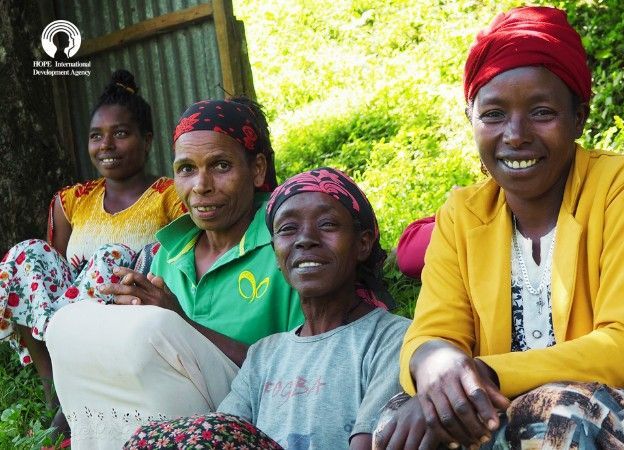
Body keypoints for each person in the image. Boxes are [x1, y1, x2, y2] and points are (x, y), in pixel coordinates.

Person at [374, 6, 624, 449]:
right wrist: (432, 363)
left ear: (579, 116)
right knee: (401, 421)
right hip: (500, 409)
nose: (515, 135)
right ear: (470, 119)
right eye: (494, 114)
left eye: (541, 112)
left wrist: (487, 373)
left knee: (562, 414)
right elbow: (432, 332)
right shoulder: (463, 214)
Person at [44, 97, 304, 449]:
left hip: (248, 412)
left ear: (257, 169)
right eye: (186, 169)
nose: (201, 185)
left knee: (155, 328)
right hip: (160, 416)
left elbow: (304, 368)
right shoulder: (167, 252)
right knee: (65, 324)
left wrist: (179, 322)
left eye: (221, 165)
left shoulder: (285, 249)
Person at [124, 167, 410, 450]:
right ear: (275, 253)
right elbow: (224, 434)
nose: (305, 238)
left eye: (327, 225)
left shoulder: (394, 339)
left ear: (362, 243)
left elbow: (371, 443)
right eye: (288, 229)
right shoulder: (264, 354)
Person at [0, 69, 183, 434]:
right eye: (96, 136)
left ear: (146, 140)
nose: (106, 146)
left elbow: (175, 261)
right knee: (26, 253)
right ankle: (58, 392)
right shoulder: (73, 201)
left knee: (111, 256)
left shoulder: (170, 195)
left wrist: (102, 266)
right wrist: (78, 274)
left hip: (131, 309)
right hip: (67, 315)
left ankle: (76, 392)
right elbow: (51, 276)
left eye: (120, 134)